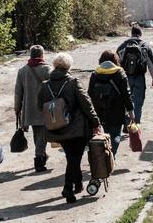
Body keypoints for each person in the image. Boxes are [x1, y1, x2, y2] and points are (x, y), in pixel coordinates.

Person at [38, 52, 103, 204]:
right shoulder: (73, 82)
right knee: (74, 159)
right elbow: (87, 104)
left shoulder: (44, 85)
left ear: (55, 66)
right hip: (76, 129)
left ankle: (78, 184)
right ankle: (68, 188)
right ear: (68, 66)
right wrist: (96, 122)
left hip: (57, 128)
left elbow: (39, 106)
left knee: (71, 158)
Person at [87, 50, 134, 156]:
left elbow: (89, 94)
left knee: (105, 133)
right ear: (115, 60)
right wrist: (131, 112)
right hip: (117, 110)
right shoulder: (120, 73)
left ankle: (105, 158)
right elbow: (126, 94)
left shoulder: (95, 74)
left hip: (99, 110)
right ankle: (111, 157)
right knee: (116, 135)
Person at [15, 45, 52, 172]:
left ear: (30, 55)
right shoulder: (47, 69)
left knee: (38, 134)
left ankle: (42, 154)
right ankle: (39, 160)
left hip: (29, 108)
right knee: (41, 134)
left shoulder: (22, 71)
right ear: (42, 55)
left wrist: (17, 109)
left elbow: (18, 92)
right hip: (43, 108)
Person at [117, 25, 153, 127]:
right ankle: (136, 125)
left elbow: (116, 63)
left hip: (125, 78)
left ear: (131, 33)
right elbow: (151, 65)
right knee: (138, 103)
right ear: (140, 34)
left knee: (126, 100)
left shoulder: (122, 46)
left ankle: (127, 123)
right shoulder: (145, 46)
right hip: (139, 77)